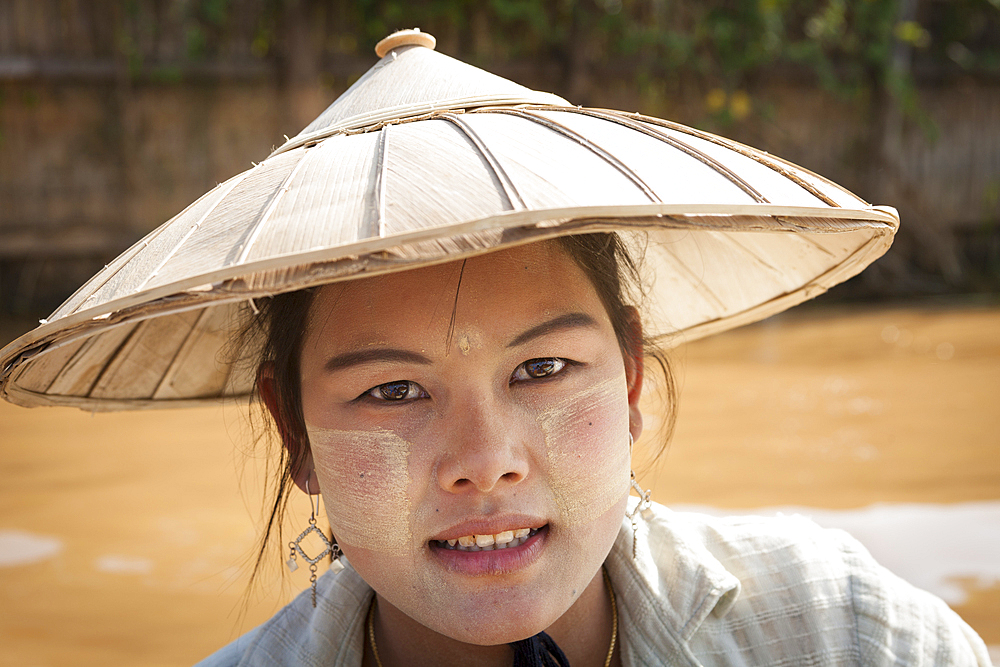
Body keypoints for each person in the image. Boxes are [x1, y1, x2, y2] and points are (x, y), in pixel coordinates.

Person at [0, 30, 988, 667]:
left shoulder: (842, 630)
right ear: (291, 430)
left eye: (543, 369)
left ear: (633, 376)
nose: (487, 460)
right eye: (391, 390)